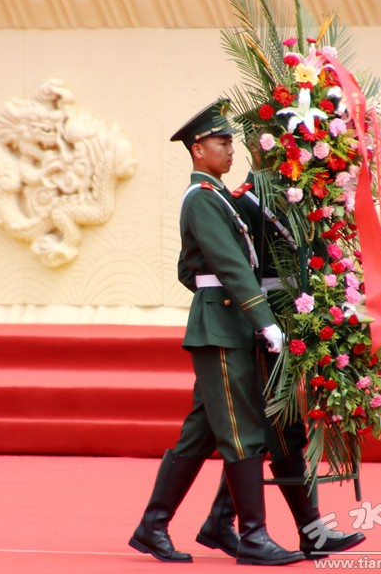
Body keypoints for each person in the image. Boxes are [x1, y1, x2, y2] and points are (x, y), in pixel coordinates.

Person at [127, 101, 304, 566]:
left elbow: (191, 269)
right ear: (197, 149)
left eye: (230, 142)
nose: (230, 150)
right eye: (222, 142)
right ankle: (253, 536)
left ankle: (154, 526)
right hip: (222, 327)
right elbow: (228, 264)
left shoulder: (218, 196)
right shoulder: (202, 197)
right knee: (243, 431)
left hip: (226, 322)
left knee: (199, 434)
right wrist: (262, 318)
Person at [195, 171, 366, 559]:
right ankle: (285, 531)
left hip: (291, 321)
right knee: (272, 426)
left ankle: (235, 522)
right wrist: (255, 319)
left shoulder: (300, 199)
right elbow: (215, 271)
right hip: (257, 327)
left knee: (277, 427)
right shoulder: (242, 201)